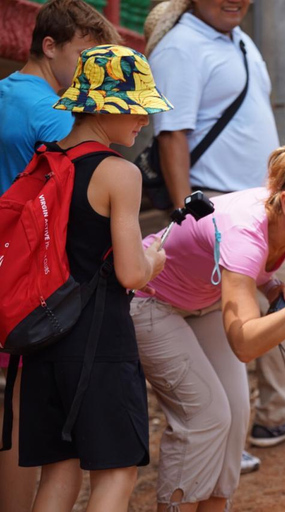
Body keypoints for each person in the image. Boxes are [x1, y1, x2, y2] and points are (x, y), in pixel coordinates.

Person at [143, 0, 285, 463]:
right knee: (236, 321)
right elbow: (172, 134)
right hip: (220, 209)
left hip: (262, 208)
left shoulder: (241, 41)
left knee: (273, 302)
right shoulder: (182, 45)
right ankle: (223, 428)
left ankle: (266, 417)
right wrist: (190, 212)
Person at [130, 145, 285, 511]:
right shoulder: (246, 232)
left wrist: (269, 287)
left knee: (235, 418)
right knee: (204, 416)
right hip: (148, 298)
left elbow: (251, 271)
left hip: (202, 300)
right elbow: (245, 345)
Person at [17, 44, 169, 511]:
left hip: (43, 338)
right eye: (138, 107)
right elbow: (129, 272)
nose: (144, 119)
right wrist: (154, 262)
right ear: (106, 105)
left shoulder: (42, 162)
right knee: (117, 471)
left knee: (58, 473)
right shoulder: (119, 173)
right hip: (100, 343)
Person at [0, 2, 120, 510]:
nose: (90, 71)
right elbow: (93, 163)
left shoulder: (7, 92)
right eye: (83, 55)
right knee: (20, 415)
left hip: (10, 260)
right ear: (48, 47)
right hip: (26, 276)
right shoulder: (51, 111)